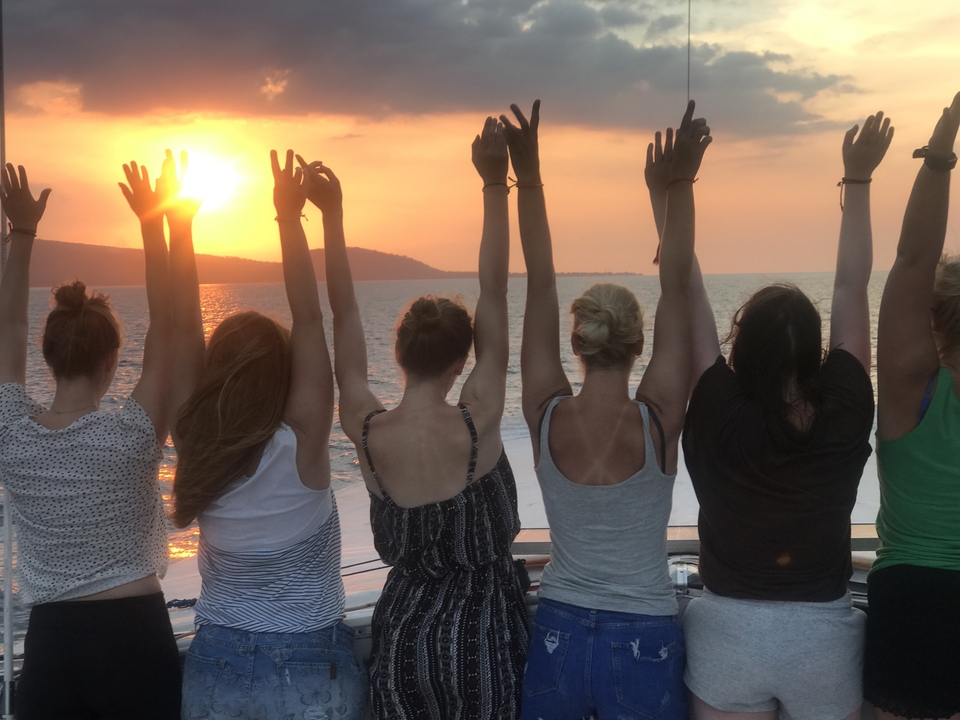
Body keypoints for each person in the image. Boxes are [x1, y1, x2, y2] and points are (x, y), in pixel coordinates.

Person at [301, 116, 527, 719]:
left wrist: (331, 215)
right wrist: (492, 185)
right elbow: (495, 290)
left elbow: (343, 313)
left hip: (404, 640)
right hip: (482, 641)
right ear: (462, 359)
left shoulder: (369, 432)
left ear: (398, 353)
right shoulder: (477, 420)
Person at [678, 112, 893, 720]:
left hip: (726, 632)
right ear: (815, 347)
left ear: (743, 349)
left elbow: (684, 290)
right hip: (822, 637)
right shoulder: (846, 404)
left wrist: (676, 190)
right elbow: (853, 286)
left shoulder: (719, 405)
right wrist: (857, 181)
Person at [513, 100, 707, 720]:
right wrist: (679, 186)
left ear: (576, 342)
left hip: (558, 633)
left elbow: (539, 281)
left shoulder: (545, 414)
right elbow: (677, 286)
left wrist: (529, 176)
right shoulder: (657, 421)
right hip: (643, 636)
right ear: (638, 344)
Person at [173, 149, 365, 720]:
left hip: (215, 661)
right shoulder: (300, 445)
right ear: (283, 374)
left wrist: (177, 222)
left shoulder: (196, 445)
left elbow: (182, 323)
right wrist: (291, 218)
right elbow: (311, 318)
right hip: (311, 659)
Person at [0, 160, 180, 717]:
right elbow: (169, 328)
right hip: (135, 637)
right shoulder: (133, 433)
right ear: (111, 361)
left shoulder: (10, 434)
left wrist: (22, 232)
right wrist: (154, 221)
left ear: (47, 357)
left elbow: (6, 327)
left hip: (53, 643)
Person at [865, 92, 960, 720]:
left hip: (910, 603)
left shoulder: (908, 387)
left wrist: (940, 157)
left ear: (933, 318)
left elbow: (910, 259)